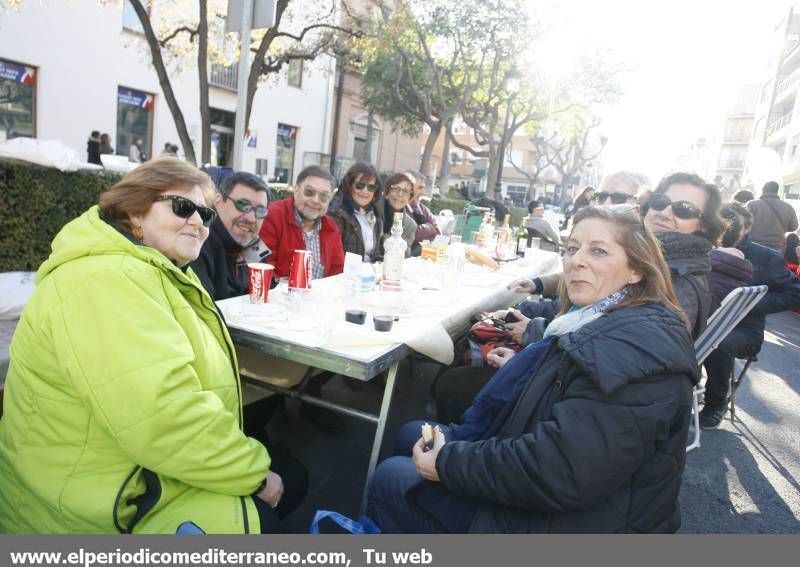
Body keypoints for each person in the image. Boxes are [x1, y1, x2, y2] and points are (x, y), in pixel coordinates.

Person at [0, 159, 303, 533]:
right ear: (134, 212)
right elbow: (166, 415)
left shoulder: (151, 271)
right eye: (182, 207)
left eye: (205, 214)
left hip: (128, 470)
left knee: (292, 474)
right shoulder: (107, 280)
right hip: (87, 510)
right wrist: (256, 475)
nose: (197, 222)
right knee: (283, 489)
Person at [367, 206, 698, 533]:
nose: (576, 260)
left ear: (636, 270)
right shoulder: (607, 316)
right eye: (571, 249)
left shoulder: (634, 347)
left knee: (392, 476)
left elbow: (561, 470)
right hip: (576, 498)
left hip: (573, 523)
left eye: (598, 251)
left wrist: (446, 465)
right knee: (412, 433)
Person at [700, 203, 800, 429]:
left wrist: (746, 304)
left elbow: (794, 293)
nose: (726, 227)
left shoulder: (765, 257)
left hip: (743, 330)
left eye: (733, 224)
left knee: (717, 342)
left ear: (746, 229)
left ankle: (716, 403)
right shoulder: (702, 247)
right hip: (700, 320)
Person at [640, 173, 726, 338]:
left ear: (704, 226)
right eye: (660, 201)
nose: (664, 213)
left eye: (684, 209)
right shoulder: (638, 255)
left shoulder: (678, 284)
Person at [191, 171, 270, 300]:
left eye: (260, 211)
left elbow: (267, 292)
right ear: (218, 200)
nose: (251, 218)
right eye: (243, 205)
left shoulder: (254, 245)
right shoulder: (198, 242)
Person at [259, 165, 344, 279]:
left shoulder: (331, 227)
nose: (315, 200)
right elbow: (263, 269)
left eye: (323, 196)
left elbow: (338, 273)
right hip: (281, 295)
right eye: (309, 192)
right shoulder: (272, 216)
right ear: (296, 190)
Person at [329, 162, 384, 262]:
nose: (365, 191)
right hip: (346, 275)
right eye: (360, 185)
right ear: (349, 186)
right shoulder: (336, 214)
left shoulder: (375, 215)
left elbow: (376, 253)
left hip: (369, 274)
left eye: (371, 187)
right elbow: (332, 257)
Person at [747, 181, 798, 253]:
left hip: (755, 244)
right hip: (777, 245)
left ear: (763, 190)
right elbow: (794, 226)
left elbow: (744, 223)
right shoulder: (788, 207)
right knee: (774, 264)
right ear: (776, 191)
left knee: (754, 264)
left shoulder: (752, 204)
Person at [382, 172, 418, 254]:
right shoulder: (372, 213)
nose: (400, 194)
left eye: (405, 191)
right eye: (396, 189)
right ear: (387, 193)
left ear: (409, 198)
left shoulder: (410, 225)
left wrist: (383, 237)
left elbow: (404, 255)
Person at [405, 170, 440, 253]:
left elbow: (438, 232)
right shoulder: (399, 207)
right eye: (420, 188)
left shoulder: (423, 209)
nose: (423, 192)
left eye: (423, 188)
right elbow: (410, 234)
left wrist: (420, 231)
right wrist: (429, 228)